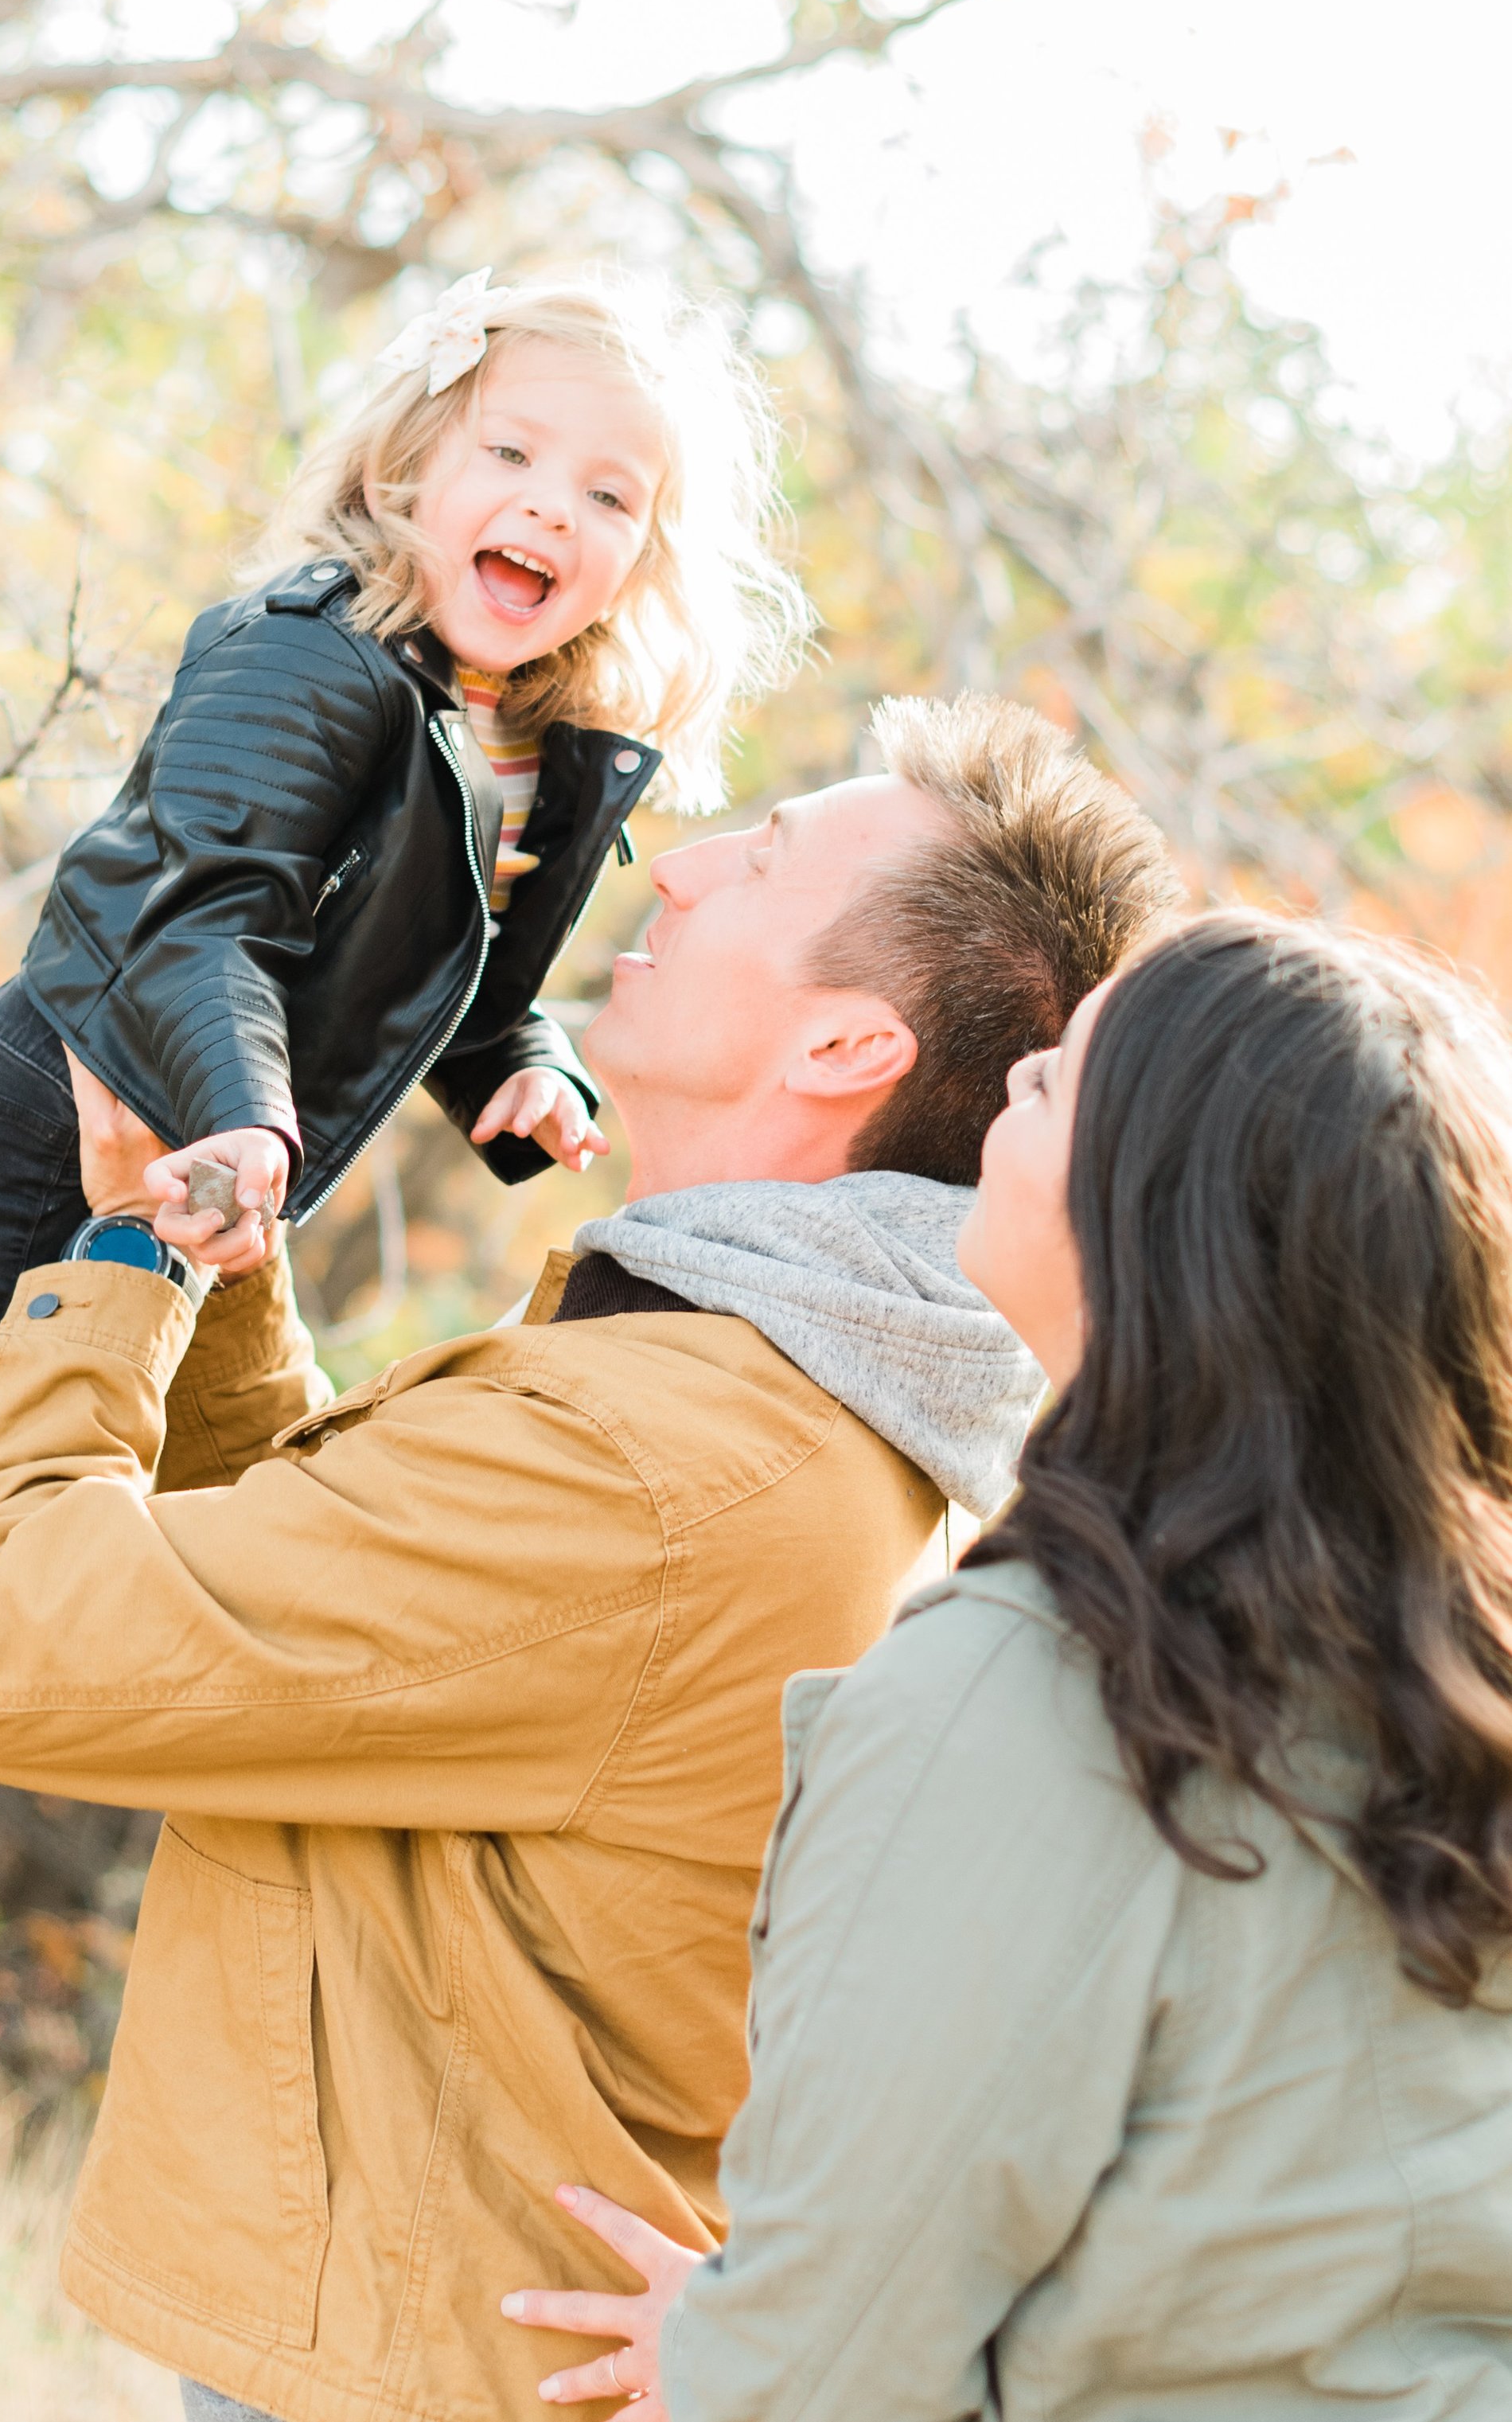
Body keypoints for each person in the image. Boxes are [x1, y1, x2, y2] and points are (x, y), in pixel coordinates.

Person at [0, 696, 1177, 2422]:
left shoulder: (665, 1455)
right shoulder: (751, 1374)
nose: (688, 862)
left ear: (842, 1051)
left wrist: (120, 1258)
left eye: (766, 856)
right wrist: (227, 1268)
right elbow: (352, 1601)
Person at [0, 263, 815, 1983]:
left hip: (193, 1179)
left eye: (610, 492)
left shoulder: (555, 749)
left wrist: (534, 1084)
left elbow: (448, 982)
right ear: (406, 471)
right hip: (37, 1124)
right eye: (512, 452)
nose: (551, 505)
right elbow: (195, 917)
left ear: (649, 551)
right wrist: (244, 1124)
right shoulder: (307, 659)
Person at [504, 910, 1512, 2421]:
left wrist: (734, 2350)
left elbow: (831, 2371)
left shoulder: (1037, 1695)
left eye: (1065, 1078)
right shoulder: (1452, 1656)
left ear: (1157, 1211)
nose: (1021, 1071)